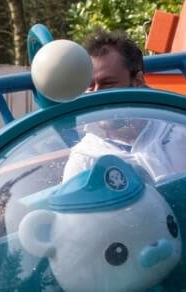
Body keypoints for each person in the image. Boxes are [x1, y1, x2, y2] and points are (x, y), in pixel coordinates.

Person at [62, 28, 186, 183]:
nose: (96, 95)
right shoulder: (85, 159)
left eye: (108, 84)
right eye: (90, 86)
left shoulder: (177, 130)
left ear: (137, 82)